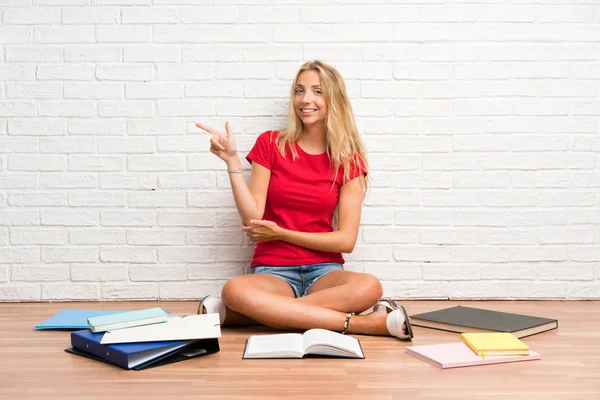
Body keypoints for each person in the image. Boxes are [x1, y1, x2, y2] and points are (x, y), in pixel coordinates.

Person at [195, 60, 413, 340]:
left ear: (334, 100)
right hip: (273, 271)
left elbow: (345, 241)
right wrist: (232, 161)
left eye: (317, 91)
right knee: (234, 291)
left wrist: (282, 232)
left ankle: (254, 315)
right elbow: (252, 220)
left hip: (325, 271)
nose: (305, 99)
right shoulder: (270, 143)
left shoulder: (348, 159)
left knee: (370, 287)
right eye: (300, 91)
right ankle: (367, 325)